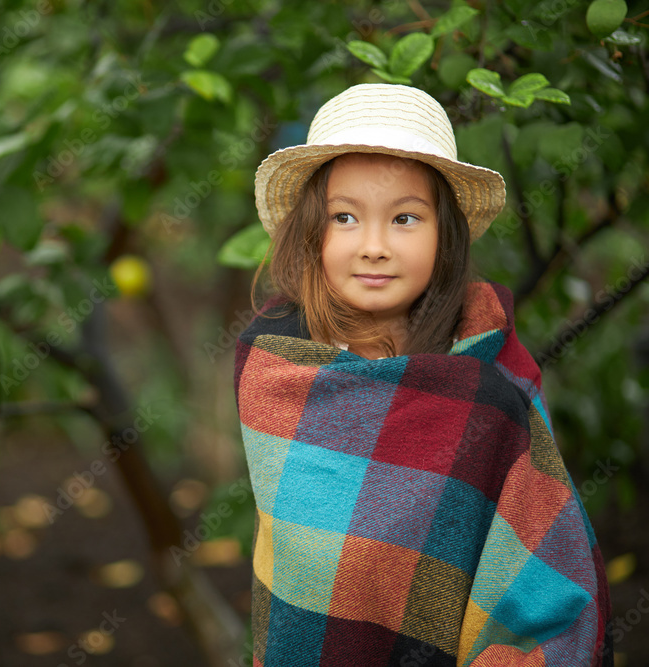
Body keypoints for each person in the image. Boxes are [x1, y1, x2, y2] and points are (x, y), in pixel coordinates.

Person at [235, 84, 612, 666]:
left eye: (406, 218)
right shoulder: (274, 365)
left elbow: (549, 588)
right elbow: (297, 564)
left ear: (445, 234)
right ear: (312, 231)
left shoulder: (491, 398)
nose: (376, 247)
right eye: (345, 218)